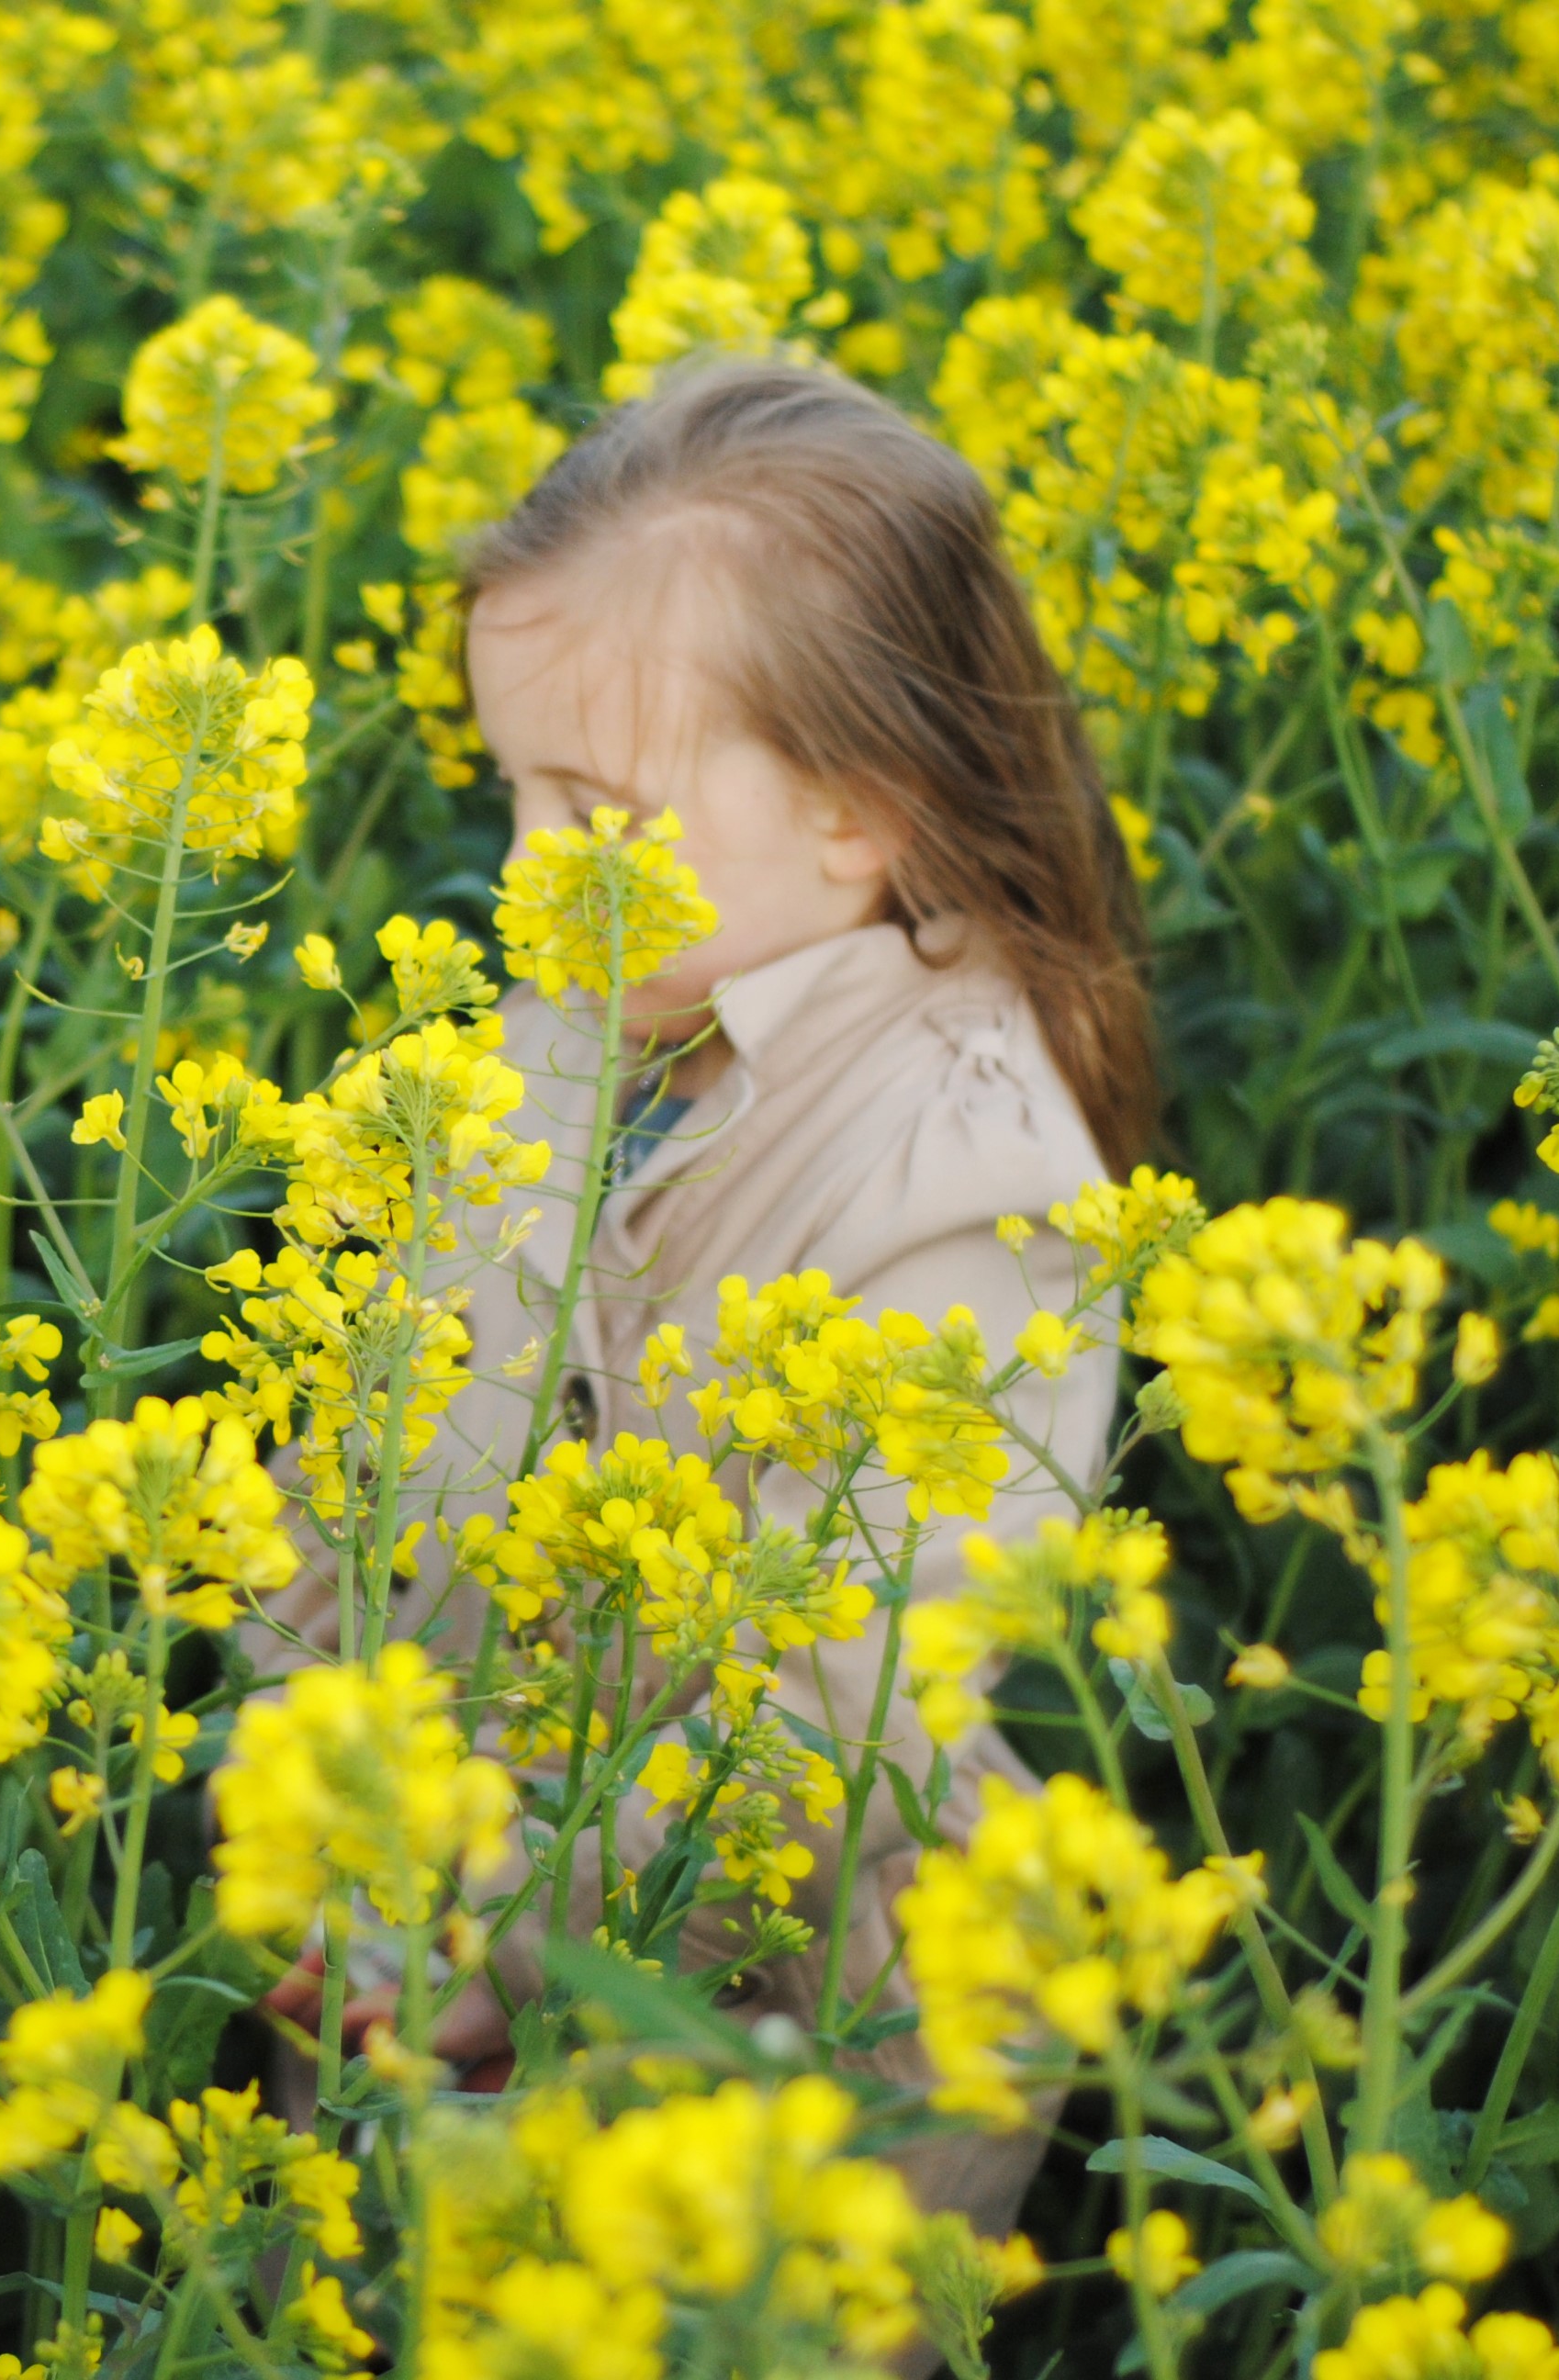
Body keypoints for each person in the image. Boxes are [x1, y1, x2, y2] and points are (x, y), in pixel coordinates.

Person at [257, 356, 1152, 2235]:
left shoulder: (969, 1178)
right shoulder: (577, 1010)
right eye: (510, 794)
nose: (521, 874)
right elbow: (367, 1436)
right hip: (415, 1927)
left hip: (789, 2037)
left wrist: (520, 1936)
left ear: (854, 814)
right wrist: (297, 1801)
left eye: (590, 811)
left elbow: (844, 1709)